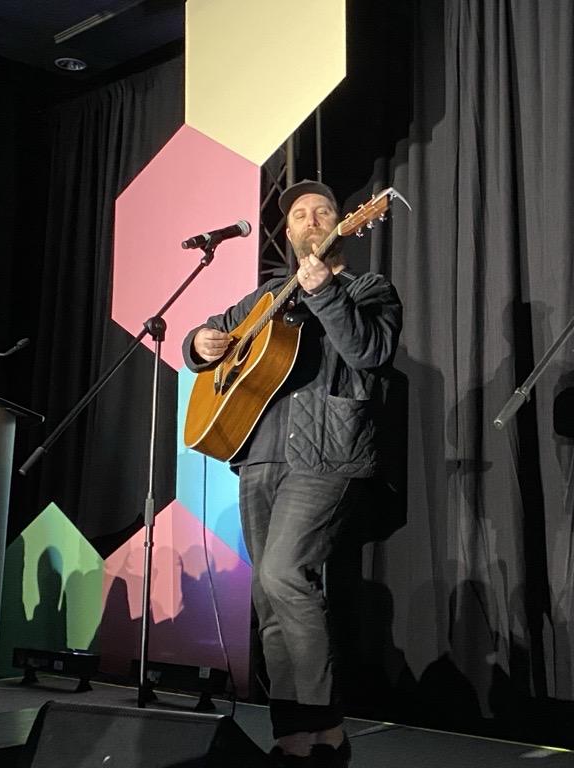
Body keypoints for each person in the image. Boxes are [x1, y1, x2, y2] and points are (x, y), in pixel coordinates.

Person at [183, 180, 403, 768]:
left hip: (329, 455)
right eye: (299, 214)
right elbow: (210, 337)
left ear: (345, 223)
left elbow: (369, 354)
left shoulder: (368, 289)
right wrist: (198, 344)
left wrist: (328, 294)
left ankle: (327, 734)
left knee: (286, 573)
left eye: (322, 211)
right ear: (287, 233)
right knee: (268, 596)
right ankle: (294, 741)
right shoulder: (265, 298)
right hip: (259, 457)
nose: (310, 220)